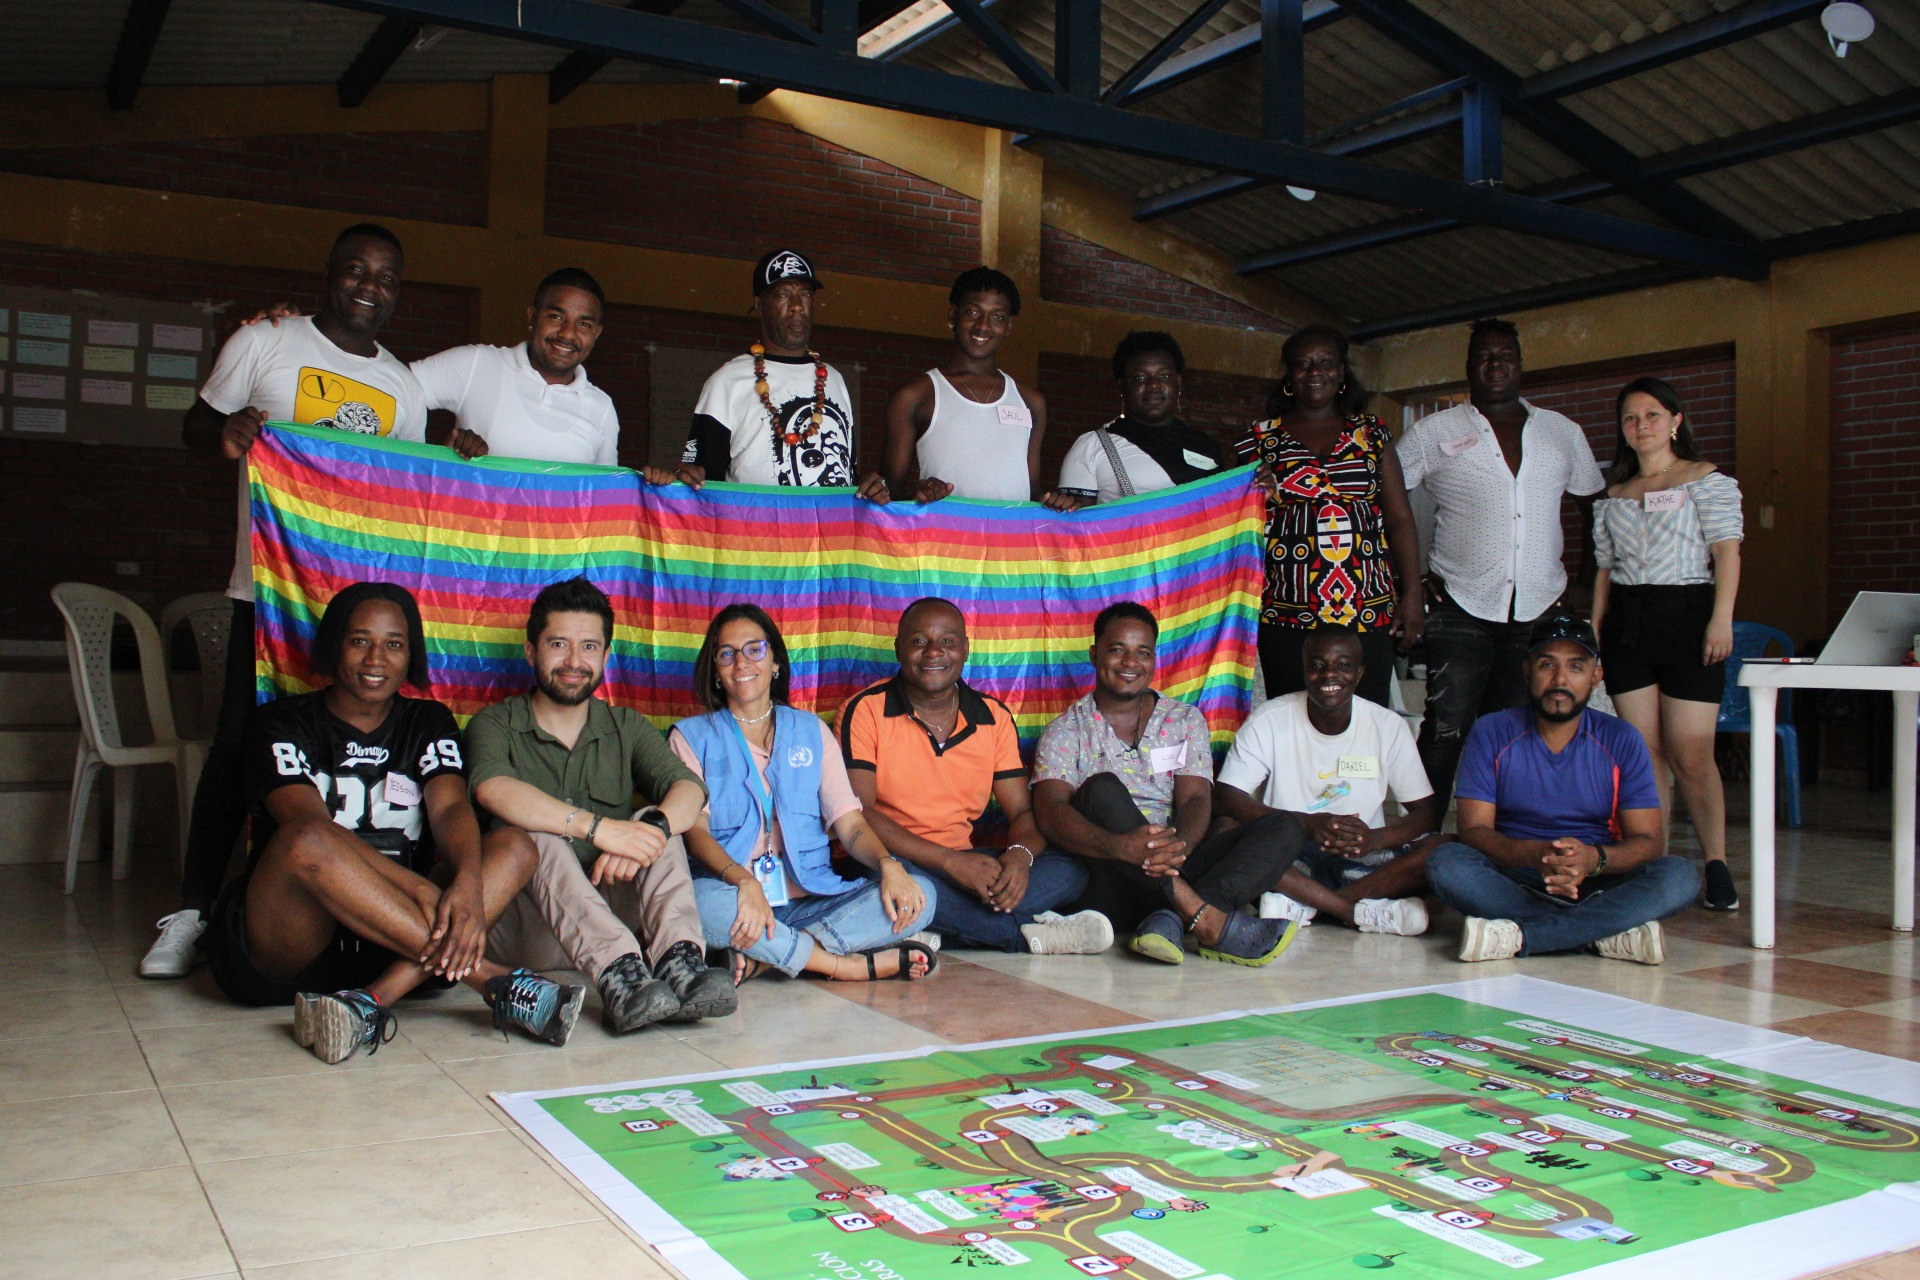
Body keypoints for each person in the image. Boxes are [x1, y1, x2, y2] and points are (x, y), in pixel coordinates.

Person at [146, 223, 429, 980]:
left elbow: (402, 486)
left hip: (354, 603)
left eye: (386, 278)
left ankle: (314, 904)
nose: (369, 288)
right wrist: (228, 433)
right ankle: (193, 911)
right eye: (356, 270)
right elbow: (195, 424)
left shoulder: (401, 385)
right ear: (329, 273)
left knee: (333, 750)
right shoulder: (265, 342)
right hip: (269, 588)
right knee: (239, 741)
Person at [203, 583, 582, 1063]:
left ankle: (370, 1001)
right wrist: (421, 889)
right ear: (335, 645)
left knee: (516, 845)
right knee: (309, 838)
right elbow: (307, 826)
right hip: (293, 946)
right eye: (359, 641)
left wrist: (466, 883)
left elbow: (449, 809)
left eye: (394, 644)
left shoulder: (427, 721)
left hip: (396, 946)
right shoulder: (279, 723)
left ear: (411, 654)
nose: (375, 659)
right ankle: (492, 979)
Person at [466, 577, 736, 1034]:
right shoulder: (495, 724)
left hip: (614, 915)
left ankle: (681, 966)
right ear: (531, 651)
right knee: (534, 836)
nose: (574, 661)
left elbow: (690, 789)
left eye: (588, 646)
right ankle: (620, 977)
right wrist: (599, 829)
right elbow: (493, 789)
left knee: (655, 822)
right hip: (529, 931)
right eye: (558, 644)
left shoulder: (625, 725)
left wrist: (649, 832)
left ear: (606, 656)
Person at [1396, 318, 1605, 808]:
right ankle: (1419, 835)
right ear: (1469, 366)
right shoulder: (1433, 432)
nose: (1496, 365)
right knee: (1445, 729)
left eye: (1505, 356)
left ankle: (1502, 837)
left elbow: (1594, 507)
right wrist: (1408, 583)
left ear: (1520, 364)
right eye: (1485, 357)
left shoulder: (1562, 432)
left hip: (1538, 607)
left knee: (1517, 731)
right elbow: (1384, 498)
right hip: (1458, 603)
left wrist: (1586, 582)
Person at [670, 604, 938, 983]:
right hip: (733, 898)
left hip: (813, 901)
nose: (742, 662)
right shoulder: (690, 738)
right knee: (692, 902)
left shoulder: (810, 730)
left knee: (922, 893)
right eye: (727, 654)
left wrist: (887, 864)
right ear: (715, 670)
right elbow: (694, 831)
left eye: (754, 649)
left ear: (775, 662)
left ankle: (767, 957)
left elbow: (850, 824)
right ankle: (840, 964)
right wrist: (743, 881)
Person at [1033, 603, 1304, 966]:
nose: (1131, 662)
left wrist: (1176, 851)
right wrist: (1121, 847)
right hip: (1111, 880)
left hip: (1181, 861)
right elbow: (1050, 813)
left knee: (1285, 826)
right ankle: (1204, 920)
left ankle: (1169, 918)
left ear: (1154, 659)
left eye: (1143, 652)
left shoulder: (1183, 720)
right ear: (1095, 654)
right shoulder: (1066, 730)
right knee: (1101, 788)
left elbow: (1195, 799)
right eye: (1118, 649)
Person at [1426, 612, 1698, 964]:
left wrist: (1591, 859)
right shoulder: (1492, 731)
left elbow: (1648, 842)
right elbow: (1474, 831)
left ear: (1596, 676)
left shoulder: (1621, 738)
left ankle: (1526, 935)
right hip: (1514, 878)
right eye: (1547, 664)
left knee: (1679, 876)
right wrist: (1537, 856)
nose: (1559, 679)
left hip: (1597, 881)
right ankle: (1601, 933)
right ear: (1527, 670)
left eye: (1576, 667)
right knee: (1446, 863)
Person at [841, 599, 1109, 955]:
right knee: (876, 879)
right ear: (899, 649)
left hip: (965, 862)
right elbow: (859, 813)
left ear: (965, 649)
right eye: (919, 641)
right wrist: (949, 863)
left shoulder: (992, 716)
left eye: (947, 641)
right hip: (893, 858)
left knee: (1071, 868)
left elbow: (1023, 813)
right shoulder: (865, 709)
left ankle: (924, 927)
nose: (933, 652)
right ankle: (1024, 936)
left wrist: (1019, 858)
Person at [1590, 377, 1744, 912]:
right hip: (1628, 622)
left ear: (1675, 421)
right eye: (1630, 418)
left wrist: (1721, 619)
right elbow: (1604, 569)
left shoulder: (1705, 480)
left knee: (1692, 751)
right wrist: (1595, 628)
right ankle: (1654, 861)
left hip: (1688, 615)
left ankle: (1716, 862)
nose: (1642, 426)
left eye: (1652, 415)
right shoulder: (1613, 495)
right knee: (1643, 750)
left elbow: (1727, 552)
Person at [1214, 627, 1441, 936]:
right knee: (1224, 831)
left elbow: (1425, 813)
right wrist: (1306, 825)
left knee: (1441, 849)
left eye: (1343, 665)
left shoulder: (1387, 726)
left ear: (1359, 674)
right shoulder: (1270, 719)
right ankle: (1355, 911)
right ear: (1304, 670)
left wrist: (1374, 839)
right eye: (1317, 665)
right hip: (1287, 856)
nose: (1329, 675)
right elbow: (1227, 796)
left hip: (1361, 858)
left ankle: (1307, 906)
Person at [1243, 325, 1424, 707]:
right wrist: (1255, 493)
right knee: (1290, 716)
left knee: (1365, 715)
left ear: (1342, 372)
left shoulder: (1372, 433)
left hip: (1367, 606)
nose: (1315, 372)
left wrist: (1412, 594)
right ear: (1288, 374)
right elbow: (1238, 524)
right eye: (1303, 364)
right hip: (1286, 608)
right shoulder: (1259, 440)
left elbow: (1399, 519)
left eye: (1326, 363)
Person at [650, 250, 888, 502]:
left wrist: (869, 487)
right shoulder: (728, 381)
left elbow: (845, 476)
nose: (797, 305)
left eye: (805, 294)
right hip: (753, 527)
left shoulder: (834, 380)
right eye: (783, 294)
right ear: (758, 304)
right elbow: (699, 482)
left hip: (829, 528)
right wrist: (683, 477)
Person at [407, 267, 619, 465]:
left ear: (597, 333)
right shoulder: (477, 363)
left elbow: (607, 490)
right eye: (556, 317)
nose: (568, 333)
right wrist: (440, 457)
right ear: (532, 317)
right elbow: (396, 389)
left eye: (584, 324)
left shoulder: (602, 409)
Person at [881, 267, 1047, 502]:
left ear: (1009, 326)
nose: (983, 325)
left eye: (997, 317)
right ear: (953, 316)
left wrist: (1054, 502)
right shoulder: (917, 396)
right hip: (943, 527)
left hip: (1011, 528)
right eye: (972, 311)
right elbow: (888, 492)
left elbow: (1033, 492)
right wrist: (920, 492)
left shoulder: (1031, 401)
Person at [1043, 332, 1230, 510]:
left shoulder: (1206, 447)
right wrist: (1061, 508)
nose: (1154, 385)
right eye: (1140, 377)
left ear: (1178, 382)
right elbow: (1077, 526)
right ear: (1122, 385)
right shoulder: (1092, 446)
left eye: (1164, 376)